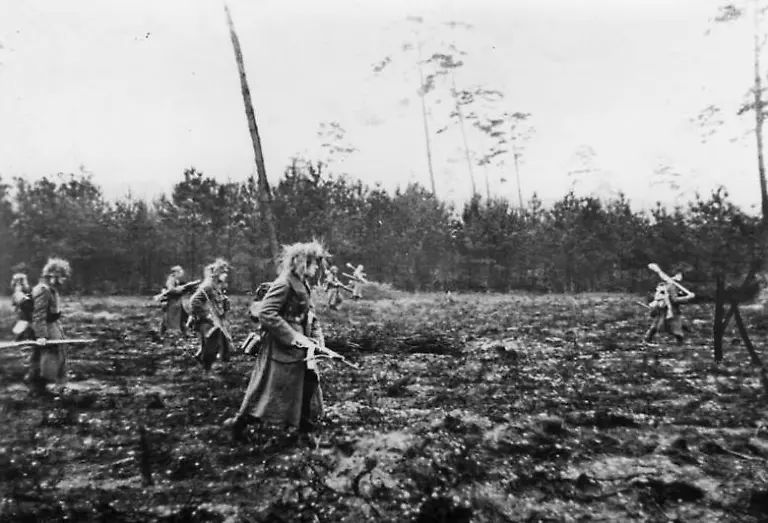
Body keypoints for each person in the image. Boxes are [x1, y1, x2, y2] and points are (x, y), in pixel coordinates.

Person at [224, 241, 328, 449]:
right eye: (313, 263)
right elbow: (266, 313)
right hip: (281, 348)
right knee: (266, 391)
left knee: (308, 385)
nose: (317, 268)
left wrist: (318, 341)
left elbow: (309, 315)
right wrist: (292, 336)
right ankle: (240, 424)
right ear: (302, 263)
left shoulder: (302, 283)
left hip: (301, 347)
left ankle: (304, 431)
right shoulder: (284, 283)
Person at [28, 257, 71, 395]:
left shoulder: (51, 289)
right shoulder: (43, 290)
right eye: (62, 276)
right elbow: (38, 314)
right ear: (54, 275)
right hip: (46, 327)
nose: (64, 280)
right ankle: (47, 386)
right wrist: (41, 335)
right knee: (52, 355)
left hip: (53, 325)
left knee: (56, 354)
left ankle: (49, 384)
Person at [189, 258, 231, 373]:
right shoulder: (208, 286)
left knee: (218, 343)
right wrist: (206, 315)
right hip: (205, 321)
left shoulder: (217, 285)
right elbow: (194, 301)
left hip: (216, 320)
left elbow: (218, 301)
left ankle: (209, 365)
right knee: (210, 346)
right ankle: (206, 371)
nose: (226, 274)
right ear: (217, 272)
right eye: (223, 272)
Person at [644, 272, 695, 346]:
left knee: (658, 324)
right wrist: (688, 297)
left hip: (664, 308)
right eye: (678, 275)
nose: (680, 276)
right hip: (667, 308)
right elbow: (675, 300)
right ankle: (680, 343)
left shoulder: (672, 285)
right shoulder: (671, 286)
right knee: (674, 326)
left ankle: (647, 339)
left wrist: (683, 295)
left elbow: (675, 296)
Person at [156, 265, 193, 337]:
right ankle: (170, 333)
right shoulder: (171, 279)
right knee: (171, 317)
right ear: (175, 272)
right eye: (179, 272)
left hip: (177, 301)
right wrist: (181, 289)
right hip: (172, 302)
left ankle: (184, 331)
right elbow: (171, 290)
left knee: (181, 316)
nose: (181, 273)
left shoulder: (176, 280)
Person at [10, 273, 35, 341]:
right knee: (18, 336)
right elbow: (14, 307)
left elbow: (28, 305)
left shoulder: (29, 292)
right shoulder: (16, 294)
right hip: (24, 319)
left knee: (20, 336)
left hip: (29, 320)